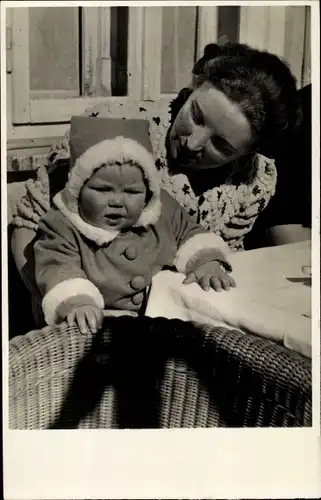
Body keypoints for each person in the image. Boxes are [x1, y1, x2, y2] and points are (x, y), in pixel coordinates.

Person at [11, 41, 303, 329]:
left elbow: (223, 256)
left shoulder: (253, 181)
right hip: (83, 319)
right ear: (194, 86)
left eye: (221, 145)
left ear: (249, 152)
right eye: (196, 116)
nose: (193, 142)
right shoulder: (113, 126)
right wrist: (60, 305)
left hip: (176, 327)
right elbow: (28, 224)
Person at [34, 135, 235, 334]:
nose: (117, 201)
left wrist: (204, 259)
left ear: (147, 192)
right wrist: (77, 300)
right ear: (78, 191)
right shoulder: (62, 224)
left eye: (131, 192)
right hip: (100, 321)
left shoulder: (162, 211)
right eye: (103, 189)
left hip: (160, 315)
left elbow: (188, 232)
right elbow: (57, 265)